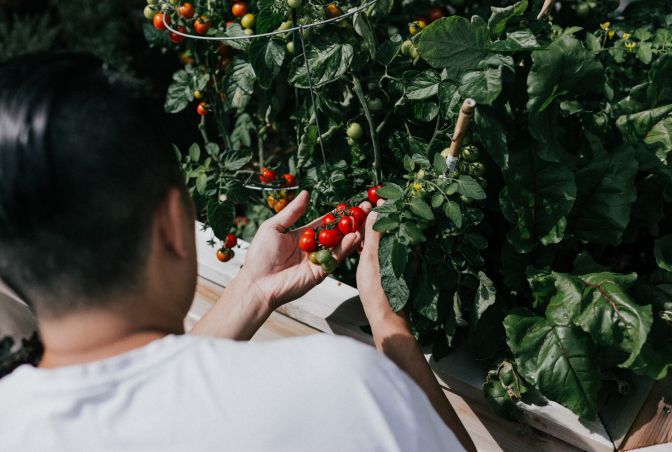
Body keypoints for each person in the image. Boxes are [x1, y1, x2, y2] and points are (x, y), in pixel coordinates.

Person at [0, 54, 475, 452]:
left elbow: (149, 389)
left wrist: (253, 288)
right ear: (171, 223)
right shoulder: (341, 388)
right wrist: (388, 325)